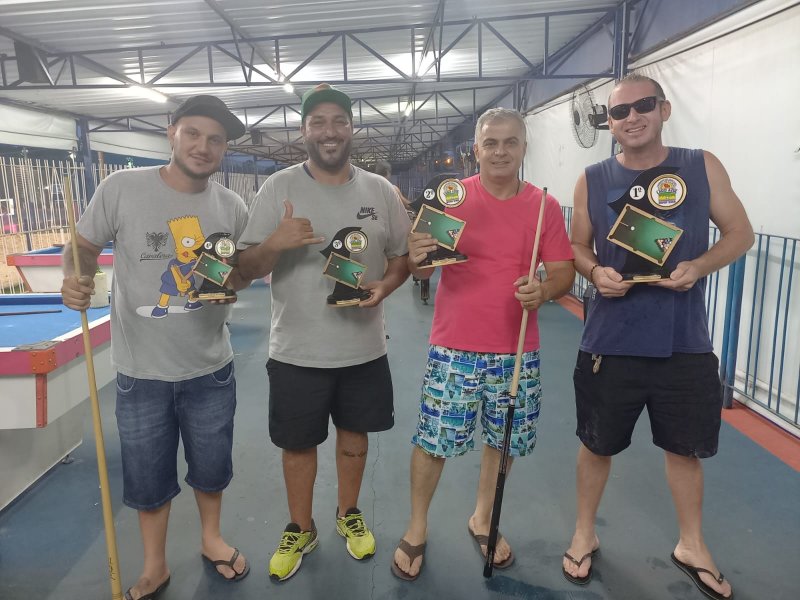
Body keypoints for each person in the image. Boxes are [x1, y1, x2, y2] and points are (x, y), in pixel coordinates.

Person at [562, 74, 753, 600]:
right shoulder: (592, 178)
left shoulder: (701, 165)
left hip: (683, 340)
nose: (631, 117)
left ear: (664, 109)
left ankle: (692, 544)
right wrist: (594, 271)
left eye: (642, 105)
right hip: (610, 338)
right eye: (618, 112)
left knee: (683, 450)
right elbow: (578, 244)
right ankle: (583, 531)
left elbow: (741, 233)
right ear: (609, 123)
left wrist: (700, 265)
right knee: (595, 444)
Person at [61, 95, 252, 600]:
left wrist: (237, 278)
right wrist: (73, 279)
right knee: (147, 476)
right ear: (172, 132)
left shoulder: (231, 206)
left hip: (211, 366)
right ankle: (155, 565)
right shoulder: (121, 188)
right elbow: (82, 245)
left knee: (212, 467)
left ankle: (212, 539)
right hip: (140, 369)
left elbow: (244, 272)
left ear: (224, 148)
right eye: (193, 133)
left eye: (215, 139)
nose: (203, 146)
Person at [236, 83, 411, 581]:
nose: (329, 131)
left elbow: (400, 258)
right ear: (303, 131)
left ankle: (348, 513)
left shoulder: (379, 191)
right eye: (318, 122)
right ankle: (300, 525)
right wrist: (275, 242)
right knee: (298, 444)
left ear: (351, 128)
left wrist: (387, 286)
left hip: (362, 347)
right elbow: (244, 268)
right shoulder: (278, 188)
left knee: (355, 437)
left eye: (338, 120)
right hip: (296, 348)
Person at [391, 107, 576, 581]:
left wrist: (545, 290)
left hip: (516, 348)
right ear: (475, 149)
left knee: (504, 440)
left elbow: (561, 272)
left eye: (510, 142)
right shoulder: (449, 201)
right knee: (433, 442)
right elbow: (422, 272)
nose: (499, 151)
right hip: (454, 345)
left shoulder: (544, 206)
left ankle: (482, 516)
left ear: (523, 147)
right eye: (490, 142)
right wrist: (416, 258)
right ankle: (416, 527)